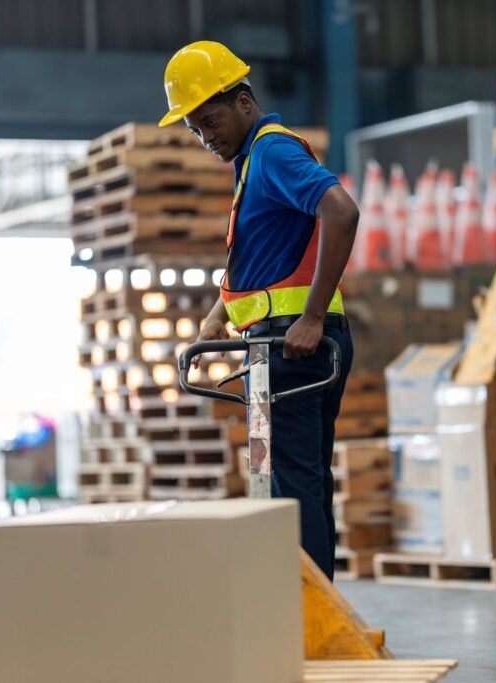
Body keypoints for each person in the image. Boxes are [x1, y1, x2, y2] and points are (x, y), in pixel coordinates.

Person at [158, 41, 359, 579]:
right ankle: (309, 613)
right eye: (195, 129)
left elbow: (341, 211)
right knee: (298, 482)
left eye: (210, 119)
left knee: (290, 490)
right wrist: (212, 324)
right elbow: (258, 262)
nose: (205, 137)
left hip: (291, 352)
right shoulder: (253, 162)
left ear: (243, 101)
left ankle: (308, 620)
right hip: (279, 350)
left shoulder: (272, 152)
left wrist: (312, 317)